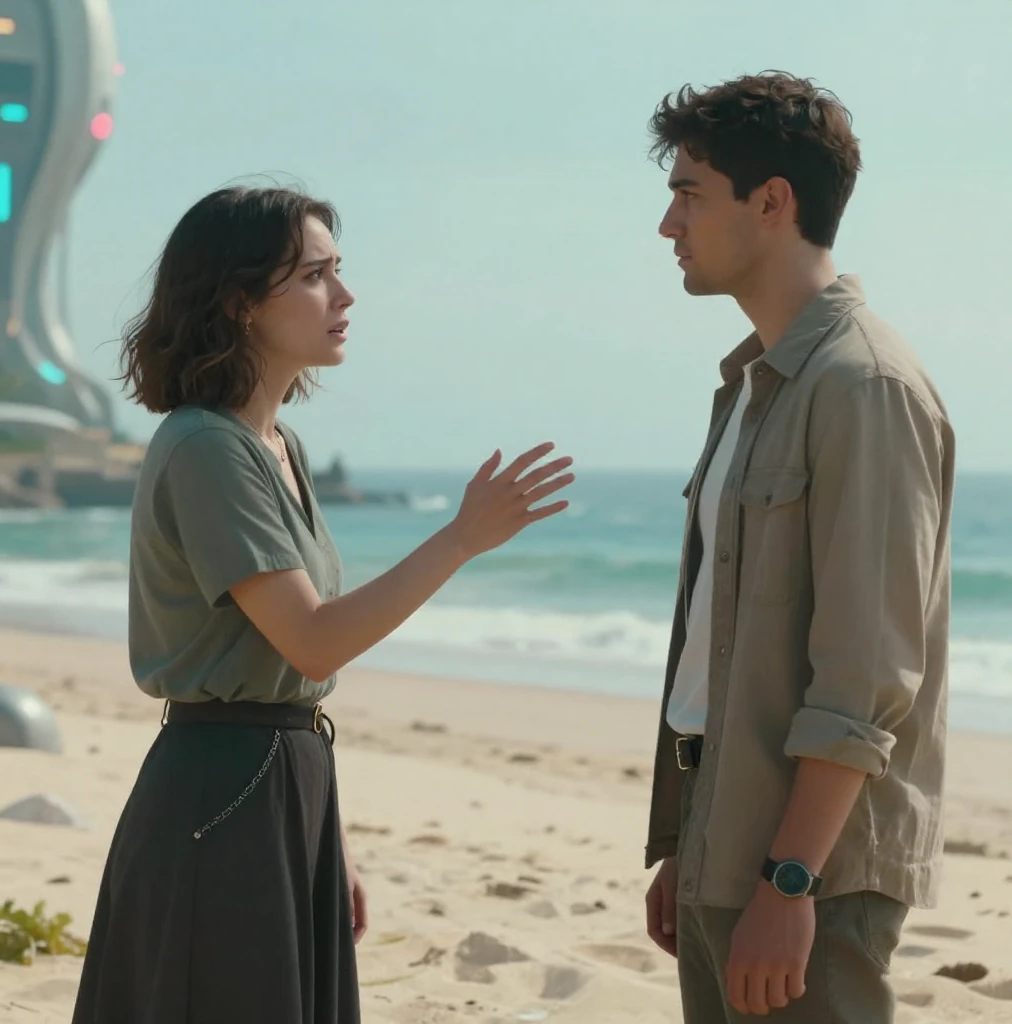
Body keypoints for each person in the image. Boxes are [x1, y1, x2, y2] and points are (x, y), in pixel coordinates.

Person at [71, 185, 574, 1024]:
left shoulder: (277, 446)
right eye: (313, 276)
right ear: (240, 302)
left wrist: (327, 839)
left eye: (338, 270)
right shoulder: (205, 447)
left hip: (281, 779)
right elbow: (311, 641)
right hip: (219, 790)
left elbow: (290, 680)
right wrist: (459, 538)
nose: (344, 295)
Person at [641, 72, 954, 1022]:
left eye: (689, 193)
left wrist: (788, 881)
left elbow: (867, 676)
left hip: (812, 879)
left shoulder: (865, 387)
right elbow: (718, 640)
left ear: (772, 201)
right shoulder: (753, 388)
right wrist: (686, 843)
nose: (668, 223)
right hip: (725, 847)